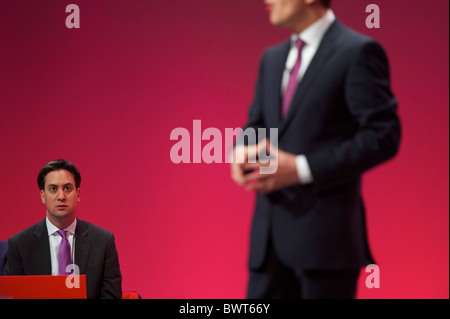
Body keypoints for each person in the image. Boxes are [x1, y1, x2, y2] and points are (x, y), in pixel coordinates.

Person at [230, 0, 401, 299]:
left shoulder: (357, 51)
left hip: (325, 247)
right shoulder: (271, 58)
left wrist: (300, 169)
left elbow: (383, 135)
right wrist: (240, 152)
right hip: (268, 246)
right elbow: (257, 123)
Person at [5, 159, 122, 299]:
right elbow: (12, 296)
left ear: (78, 194)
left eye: (67, 188)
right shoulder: (20, 244)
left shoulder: (103, 241)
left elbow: (111, 296)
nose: (61, 196)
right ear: (43, 196)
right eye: (53, 189)